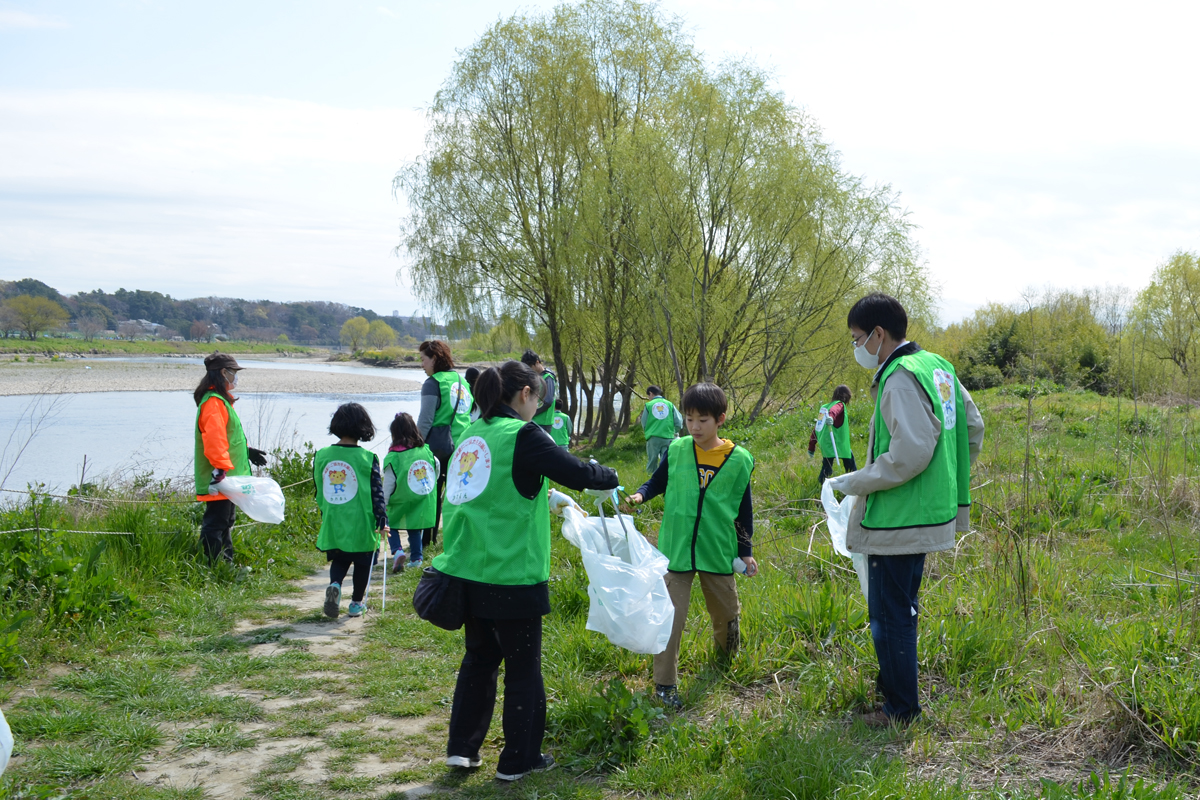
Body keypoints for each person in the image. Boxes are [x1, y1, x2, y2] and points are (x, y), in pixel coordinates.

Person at [433, 360, 618, 781]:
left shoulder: (472, 433)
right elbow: (575, 469)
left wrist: (544, 494)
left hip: (467, 568)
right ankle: (519, 760)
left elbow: (495, 487)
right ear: (525, 395)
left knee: (479, 660)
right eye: (538, 398)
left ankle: (462, 750)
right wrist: (609, 475)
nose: (538, 407)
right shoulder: (523, 434)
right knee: (522, 667)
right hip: (512, 572)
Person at [827, 293, 985, 727]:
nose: (857, 347)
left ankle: (900, 711)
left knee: (889, 615)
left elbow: (909, 453)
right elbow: (973, 427)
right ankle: (897, 696)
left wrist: (850, 482)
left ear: (879, 334)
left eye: (858, 338)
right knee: (904, 607)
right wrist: (945, 479)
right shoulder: (937, 367)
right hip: (930, 512)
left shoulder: (897, 377)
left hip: (896, 518)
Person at [626, 382, 755, 711]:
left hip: (717, 549)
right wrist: (641, 494)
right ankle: (664, 685)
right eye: (689, 419)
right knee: (670, 618)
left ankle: (726, 662)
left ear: (720, 419)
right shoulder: (678, 449)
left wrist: (746, 550)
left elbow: (744, 509)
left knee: (727, 614)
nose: (694, 427)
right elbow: (657, 480)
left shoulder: (738, 460)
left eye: (703, 420)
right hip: (677, 549)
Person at [314, 403, 390, 619]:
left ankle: (335, 585)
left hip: (334, 519)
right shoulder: (368, 458)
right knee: (363, 562)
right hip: (361, 522)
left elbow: (319, 489)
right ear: (364, 427)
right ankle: (356, 603)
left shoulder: (322, 455)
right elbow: (377, 493)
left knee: (339, 559)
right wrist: (382, 518)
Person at [193, 352, 267, 565]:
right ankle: (215, 567)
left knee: (225, 521)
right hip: (221, 477)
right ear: (223, 373)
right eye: (233, 372)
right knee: (216, 523)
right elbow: (215, 440)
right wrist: (220, 471)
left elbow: (228, 436)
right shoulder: (213, 402)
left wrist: (247, 450)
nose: (236, 377)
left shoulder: (221, 401)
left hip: (228, 475)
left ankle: (225, 565)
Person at [416, 340, 473, 545]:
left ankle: (426, 540)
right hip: (464, 448)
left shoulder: (433, 383)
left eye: (423, 360)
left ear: (434, 358)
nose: (421, 365)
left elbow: (425, 421)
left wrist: (413, 446)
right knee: (458, 494)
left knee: (432, 495)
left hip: (438, 448)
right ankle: (458, 537)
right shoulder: (461, 381)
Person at [382, 412, 440, 572]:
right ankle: (416, 558)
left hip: (400, 498)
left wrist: (383, 503)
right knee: (415, 527)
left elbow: (388, 483)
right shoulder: (426, 451)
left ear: (394, 434)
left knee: (390, 524)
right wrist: (430, 485)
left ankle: (397, 550)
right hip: (421, 497)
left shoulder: (393, 457)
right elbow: (436, 466)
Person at [808, 385, 857, 485]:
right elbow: (834, 410)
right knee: (850, 466)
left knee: (827, 468)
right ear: (846, 396)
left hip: (826, 443)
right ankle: (855, 484)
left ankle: (821, 485)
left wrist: (811, 446)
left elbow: (817, 428)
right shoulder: (840, 404)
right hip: (838, 443)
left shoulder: (824, 407)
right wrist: (831, 417)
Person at [639, 385, 683, 474]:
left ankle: (651, 481)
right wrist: (674, 431)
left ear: (651, 393)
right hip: (668, 437)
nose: (649, 398)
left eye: (648, 395)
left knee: (652, 461)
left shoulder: (648, 405)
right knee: (665, 461)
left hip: (653, 437)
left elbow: (644, 422)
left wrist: (647, 432)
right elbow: (678, 421)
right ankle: (665, 480)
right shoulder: (670, 404)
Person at [520, 349, 557, 434]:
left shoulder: (548, 377)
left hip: (543, 423)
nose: (529, 370)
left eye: (530, 367)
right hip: (533, 421)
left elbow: (548, 402)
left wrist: (532, 412)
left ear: (537, 362)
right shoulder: (535, 377)